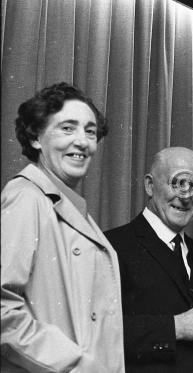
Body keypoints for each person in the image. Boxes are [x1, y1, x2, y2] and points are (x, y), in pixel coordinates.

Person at [1, 83, 125, 372]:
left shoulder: (73, 209)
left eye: (90, 131)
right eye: (67, 128)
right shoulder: (25, 198)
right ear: (35, 138)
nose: (82, 141)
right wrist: (76, 365)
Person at [104, 147, 193, 372]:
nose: (185, 196)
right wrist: (176, 327)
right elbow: (97, 332)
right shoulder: (112, 246)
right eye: (176, 183)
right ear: (149, 185)